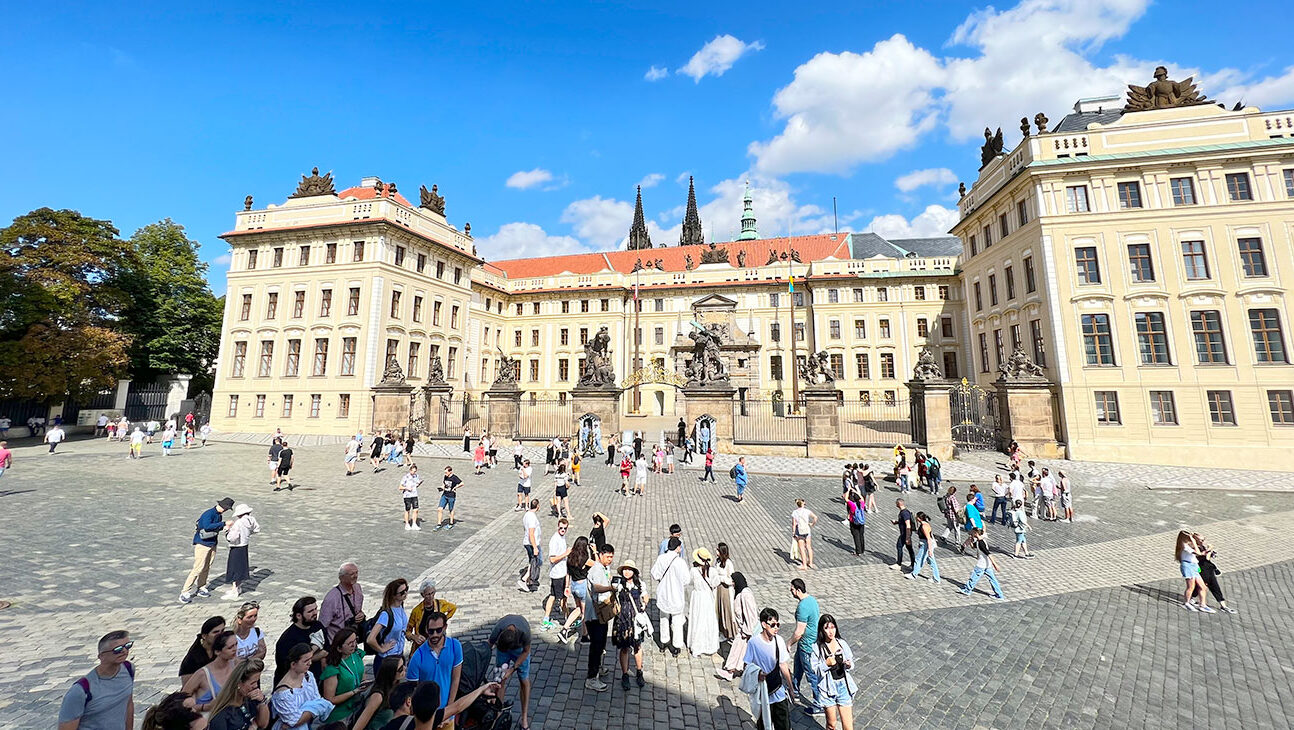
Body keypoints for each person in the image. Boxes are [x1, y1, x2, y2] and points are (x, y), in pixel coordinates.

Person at [59, 630, 136, 730]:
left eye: (128, 645)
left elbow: (128, 704)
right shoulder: (80, 691)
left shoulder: (129, 669)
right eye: (117, 649)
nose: (125, 651)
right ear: (101, 656)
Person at [742, 608, 795, 730]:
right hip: (763, 692)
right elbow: (746, 665)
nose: (776, 628)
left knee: (784, 724)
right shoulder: (754, 643)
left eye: (778, 624)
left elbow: (783, 665)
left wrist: (791, 688)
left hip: (778, 689)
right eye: (773, 625)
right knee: (764, 725)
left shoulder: (779, 641)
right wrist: (757, 674)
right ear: (764, 625)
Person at [180, 497, 234, 604]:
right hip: (202, 544)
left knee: (207, 566)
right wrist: (223, 524)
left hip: (212, 543)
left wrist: (224, 528)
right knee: (198, 568)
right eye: (225, 508)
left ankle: (201, 586)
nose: (225, 510)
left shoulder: (218, 515)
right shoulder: (209, 514)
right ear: (221, 505)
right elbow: (207, 526)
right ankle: (185, 591)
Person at [406, 610, 462, 709]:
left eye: (439, 630)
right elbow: (412, 691)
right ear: (426, 630)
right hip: (427, 714)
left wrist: (449, 709)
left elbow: (455, 679)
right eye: (431, 631)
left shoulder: (455, 646)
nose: (434, 634)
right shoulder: (417, 657)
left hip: (447, 712)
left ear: (445, 628)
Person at [270, 643, 334, 730]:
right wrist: (314, 708)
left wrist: (306, 711)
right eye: (305, 661)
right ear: (293, 664)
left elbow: (316, 699)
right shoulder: (283, 692)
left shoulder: (308, 676)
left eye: (310, 659)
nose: (310, 663)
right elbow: (294, 721)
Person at [810, 615, 856, 730]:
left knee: (848, 726)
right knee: (832, 724)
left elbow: (851, 663)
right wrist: (826, 664)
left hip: (843, 686)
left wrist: (849, 664)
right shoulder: (817, 647)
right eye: (827, 628)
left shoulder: (842, 643)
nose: (831, 631)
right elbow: (815, 670)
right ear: (821, 630)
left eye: (832, 627)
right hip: (828, 689)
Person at [583, 543, 616, 691]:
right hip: (594, 615)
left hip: (601, 613)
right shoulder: (596, 569)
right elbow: (596, 587)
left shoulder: (603, 568)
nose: (610, 559)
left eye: (611, 557)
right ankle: (591, 678)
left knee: (601, 643)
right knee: (596, 646)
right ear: (601, 555)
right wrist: (610, 588)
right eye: (608, 556)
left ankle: (598, 668)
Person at [488, 616, 532, 730]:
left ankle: (524, 718)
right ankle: (498, 713)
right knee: (500, 680)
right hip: (502, 651)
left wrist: (512, 669)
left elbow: (527, 651)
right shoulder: (498, 628)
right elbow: (489, 644)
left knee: (524, 680)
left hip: (520, 650)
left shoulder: (524, 632)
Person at [612, 558, 649, 690]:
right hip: (622, 619)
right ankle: (625, 674)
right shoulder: (618, 584)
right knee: (624, 648)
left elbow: (645, 596)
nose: (627, 572)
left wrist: (644, 605)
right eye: (625, 570)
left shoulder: (640, 584)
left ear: (634, 571)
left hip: (635, 620)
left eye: (629, 570)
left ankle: (639, 672)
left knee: (637, 646)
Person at [407, 677, 501, 730]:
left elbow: (458, 706)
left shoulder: (399, 722)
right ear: (438, 704)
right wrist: (481, 689)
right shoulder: (436, 717)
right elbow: (458, 707)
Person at [321, 628, 372, 723]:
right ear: (339, 648)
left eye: (355, 640)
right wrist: (354, 692)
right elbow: (330, 699)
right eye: (349, 643)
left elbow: (361, 672)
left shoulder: (356, 654)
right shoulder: (333, 669)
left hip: (357, 707)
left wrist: (365, 683)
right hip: (340, 715)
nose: (354, 645)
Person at [181, 630, 237, 714]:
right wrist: (205, 707)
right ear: (217, 651)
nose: (235, 649)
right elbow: (180, 700)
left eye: (236, 644)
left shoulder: (236, 665)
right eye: (230, 647)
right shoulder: (202, 674)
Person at [716, 572, 758, 681]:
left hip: (745, 630)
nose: (733, 584)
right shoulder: (742, 593)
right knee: (739, 651)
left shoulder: (745, 595)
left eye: (734, 582)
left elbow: (750, 614)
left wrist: (747, 631)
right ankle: (732, 670)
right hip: (743, 629)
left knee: (738, 650)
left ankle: (731, 670)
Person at [651, 536, 690, 657]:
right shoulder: (680, 562)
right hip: (676, 595)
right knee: (677, 621)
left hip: (664, 594)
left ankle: (663, 642)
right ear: (678, 548)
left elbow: (655, 574)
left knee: (663, 618)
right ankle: (676, 646)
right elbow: (686, 580)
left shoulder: (661, 558)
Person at [349, 648, 406, 730]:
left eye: (404, 665)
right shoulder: (377, 696)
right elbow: (359, 725)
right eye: (400, 669)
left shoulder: (395, 686)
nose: (404, 669)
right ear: (391, 673)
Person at [207, 658, 270, 730]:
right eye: (252, 683)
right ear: (239, 683)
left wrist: (262, 702)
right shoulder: (221, 715)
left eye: (257, 681)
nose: (256, 686)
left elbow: (263, 724)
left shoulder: (250, 699)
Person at [789, 579, 822, 716]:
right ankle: (794, 692)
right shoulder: (812, 600)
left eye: (791, 589)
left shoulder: (802, 606)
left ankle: (819, 704)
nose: (790, 591)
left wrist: (788, 643)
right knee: (798, 667)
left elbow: (799, 632)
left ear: (797, 590)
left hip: (806, 645)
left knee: (811, 675)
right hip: (808, 643)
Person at [274, 597, 327, 684]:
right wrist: (315, 656)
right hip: (294, 684)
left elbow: (326, 650)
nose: (315, 613)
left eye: (315, 609)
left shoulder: (318, 626)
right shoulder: (287, 639)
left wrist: (305, 659)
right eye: (310, 611)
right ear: (298, 615)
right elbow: (288, 665)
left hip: (316, 680)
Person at [367, 579, 410, 677]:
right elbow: (370, 639)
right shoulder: (386, 614)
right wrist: (381, 649)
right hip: (386, 660)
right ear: (394, 595)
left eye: (406, 589)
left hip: (398, 657)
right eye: (402, 592)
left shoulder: (400, 608)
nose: (405, 593)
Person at [555, 535, 591, 643]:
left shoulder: (570, 557)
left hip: (574, 586)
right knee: (584, 612)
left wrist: (567, 587)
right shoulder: (585, 559)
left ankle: (565, 629)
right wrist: (595, 553)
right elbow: (598, 565)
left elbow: (568, 574)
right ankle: (584, 636)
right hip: (583, 586)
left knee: (578, 609)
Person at [686, 548, 721, 656]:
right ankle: (709, 644)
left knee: (698, 620)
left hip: (698, 597)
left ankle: (697, 645)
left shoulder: (693, 571)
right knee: (708, 620)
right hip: (708, 597)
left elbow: (689, 581)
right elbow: (716, 583)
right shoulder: (713, 571)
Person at [1191, 533, 1237, 614]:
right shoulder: (1194, 548)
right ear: (1195, 540)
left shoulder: (1202, 547)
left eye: (1203, 539)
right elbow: (1205, 557)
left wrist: (1211, 552)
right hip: (1201, 569)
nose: (1203, 541)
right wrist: (1209, 550)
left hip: (1209, 569)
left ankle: (1223, 605)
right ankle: (1191, 598)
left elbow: (1208, 557)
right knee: (1201, 585)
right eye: (1201, 540)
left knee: (1214, 585)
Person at [406, 579, 458, 649]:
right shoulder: (416, 611)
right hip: (422, 646)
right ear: (422, 595)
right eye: (428, 594)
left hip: (439, 645)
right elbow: (407, 632)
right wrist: (414, 637)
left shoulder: (441, 604)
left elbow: (453, 608)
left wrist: (444, 618)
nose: (431, 596)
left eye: (432, 593)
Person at [223, 504, 260, 600]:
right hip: (245, 545)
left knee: (235, 569)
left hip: (236, 547)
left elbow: (232, 538)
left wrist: (227, 530)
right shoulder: (251, 520)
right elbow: (256, 529)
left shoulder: (238, 523)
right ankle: (237, 588)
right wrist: (247, 534)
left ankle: (235, 590)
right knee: (241, 567)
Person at [321, 562, 365, 640]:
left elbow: (358, 609)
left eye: (356, 573)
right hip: (337, 642)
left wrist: (360, 614)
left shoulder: (358, 588)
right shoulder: (331, 598)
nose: (355, 576)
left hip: (352, 639)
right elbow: (322, 625)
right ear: (341, 577)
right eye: (351, 574)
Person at [179, 616, 228, 684]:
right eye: (215, 632)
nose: (220, 635)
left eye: (222, 631)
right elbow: (187, 686)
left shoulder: (224, 650)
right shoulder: (192, 658)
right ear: (204, 636)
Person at [542, 519, 571, 631]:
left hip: (560, 572)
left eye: (565, 528)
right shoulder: (555, 540)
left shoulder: (561, 538)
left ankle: (546, 618)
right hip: (558, 574)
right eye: (561, 528)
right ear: (557, 527)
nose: (563, 530)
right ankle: (568, 620)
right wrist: (566, 554)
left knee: (553, 596)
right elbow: (552, 559)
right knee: (563, 598)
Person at [959, 528, 1005, 599]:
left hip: (982, 564)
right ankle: (999, 594)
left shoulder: (981, 543)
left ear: (976, 533)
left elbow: (988, 554)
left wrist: (995, 564)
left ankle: (967, 590)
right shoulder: (979, 541)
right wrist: (971, 540)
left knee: (974, 577)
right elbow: (973, 547)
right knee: (992, 579)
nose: (971, 534)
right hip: (987, 564)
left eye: (973, 533)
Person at [1176, 530, 1213, 613]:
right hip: (1188, 566)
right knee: (1191, 586)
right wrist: (1193, 541)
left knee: (1202, 586)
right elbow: (1198, 553)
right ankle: (1186, 603)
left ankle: (1203, 605)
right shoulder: (1184, 546)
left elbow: (1200, 553)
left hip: (1194, 566)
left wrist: (1208, 550)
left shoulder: (1190, 545)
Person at [516, 499, 543, 593]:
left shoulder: (527, 514)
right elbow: (531, 533)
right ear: (538, 506)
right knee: (537, 561)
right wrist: (535, 547)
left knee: (532, 561)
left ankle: (529, 579)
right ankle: (525, 579)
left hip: (528, 542)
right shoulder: (532, 517)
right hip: (532, 543)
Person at [907, 512, 941, 583]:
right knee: (932, 562)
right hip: (925, 544)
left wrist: (930, 550)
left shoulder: (924, 526)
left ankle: (914, 574)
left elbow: (928, 539)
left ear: (919, 518)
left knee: (918, 559)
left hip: (926, 545)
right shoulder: (924, 524)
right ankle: (936, 578)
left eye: (916, 517)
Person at [713, 543, 736, 639]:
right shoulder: (717, 561)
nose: (716, 551)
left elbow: (731, 579)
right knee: (718, 609)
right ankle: (721, 630)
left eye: (718, 550)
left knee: (726, 609)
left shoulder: (728, 563)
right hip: (718, 588)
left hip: (726, 589)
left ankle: (729, 632)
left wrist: (721, 578)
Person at [791, 499, 818, 570]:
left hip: (799, 531)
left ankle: (804, 565)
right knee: (809, 547)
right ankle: (811, 563)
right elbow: (815, 517)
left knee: (802, 548)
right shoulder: (807, 511)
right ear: (803, 504)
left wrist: (793, 533)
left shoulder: (795, 512)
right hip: (807, 530)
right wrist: (812, 524)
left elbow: (794, 524)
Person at [891, 499, 915, 572]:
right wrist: (897, 522)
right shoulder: (904, 512)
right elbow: (903, 522)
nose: (896, 505)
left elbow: (908, 525)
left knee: (899, 546)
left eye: (896, 503)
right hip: (905, 533)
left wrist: (908, 537)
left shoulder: (904, 513)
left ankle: (899, 564)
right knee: (910, 549)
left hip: (905, 534)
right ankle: (913, 564)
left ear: (899, 504)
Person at [399, 465, 423, 531]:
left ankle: (414, 524)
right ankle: (407, 523)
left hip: (414, 494)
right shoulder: (405, 477)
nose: (414, 472)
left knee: (416, 509)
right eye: (413, 471)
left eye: (415, 471)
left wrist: (419, 483)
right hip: (407, 495)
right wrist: (406, 488)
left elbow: (416, 485)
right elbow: (400, 487)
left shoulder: (416, 476)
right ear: (410, 470)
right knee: (408, 509)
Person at [845, 491, 866, 557]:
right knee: (861, 536)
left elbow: (846, 499)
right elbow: (862, 498)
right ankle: (862, 550)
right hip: (861, 522)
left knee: (856, 536)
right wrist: (857, 492)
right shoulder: (861, 504)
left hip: (854, 522)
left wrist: (848, 490)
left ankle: (858, 551)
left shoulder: (853, 505)